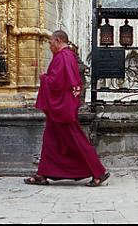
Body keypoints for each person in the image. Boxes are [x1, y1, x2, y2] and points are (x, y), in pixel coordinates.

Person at [25, 30, 110, 187]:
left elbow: (57, 83)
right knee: (50, 141)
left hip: (61, 108)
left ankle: (99, 172)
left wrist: (43, 78)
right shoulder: (68, 56)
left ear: (57, 41)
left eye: (50, 43)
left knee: (77, 140)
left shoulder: (63, 57)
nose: (50, 46)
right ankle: (42, 174)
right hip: (62, 107)